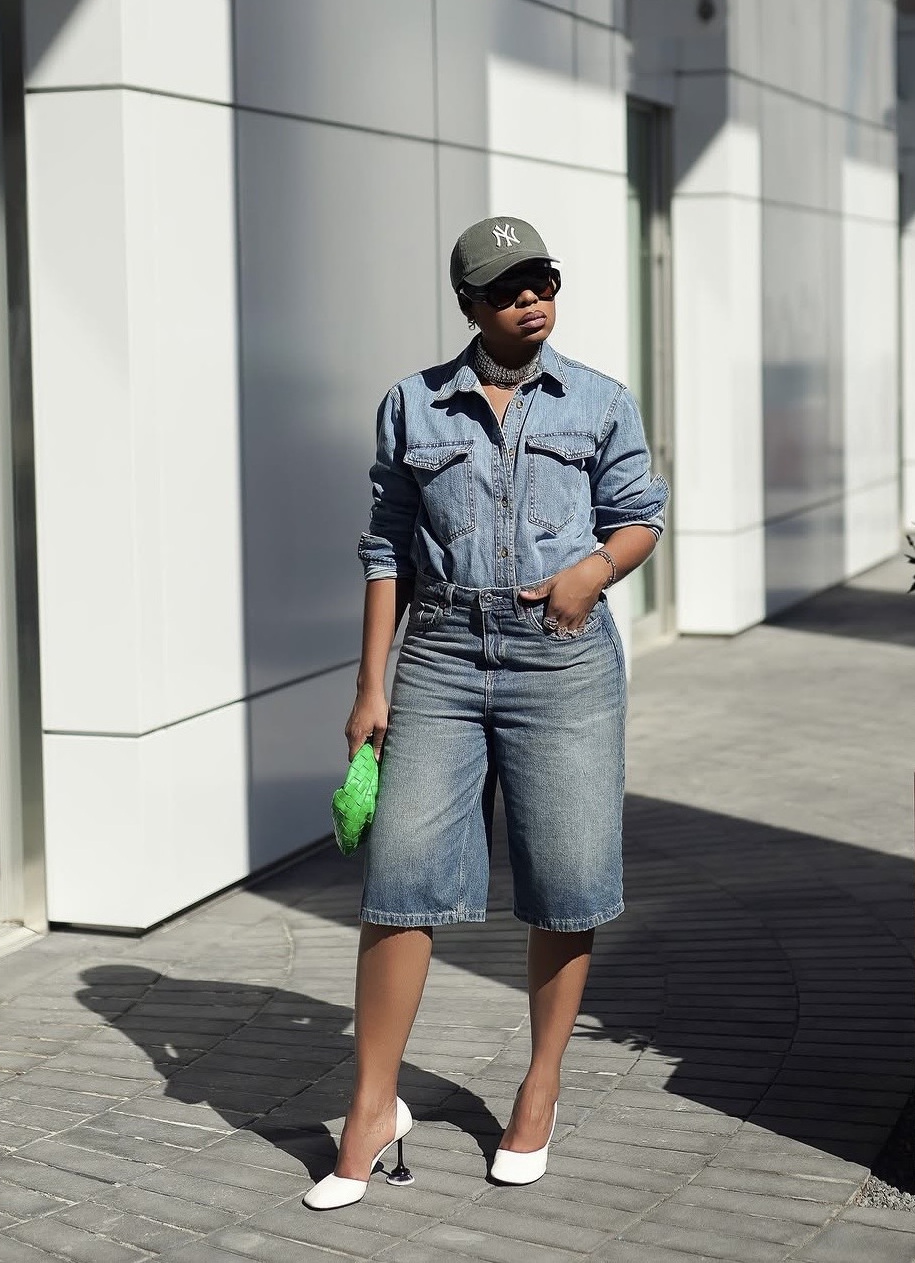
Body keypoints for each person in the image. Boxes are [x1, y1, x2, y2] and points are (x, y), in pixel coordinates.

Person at [303, 216, 668, 1211]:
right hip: (441, 657)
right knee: (403, 877)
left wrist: (590, 573)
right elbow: (386, 548)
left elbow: (641, 515)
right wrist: (369, 685)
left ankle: (540, 1085)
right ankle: (371, 1105)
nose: (529, 300)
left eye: (541, 280)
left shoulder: (599, 400)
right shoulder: (412, 404)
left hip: (562, 658)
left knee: (566, 879)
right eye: (507, 289)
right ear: (469, 305)